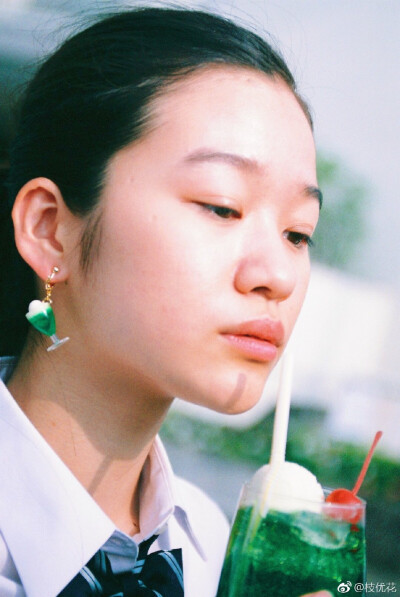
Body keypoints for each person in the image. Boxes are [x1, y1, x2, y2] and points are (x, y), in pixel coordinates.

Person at [0, 6, 326, 596]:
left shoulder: (213, 547)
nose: (278, 274)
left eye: (298, 232)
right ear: (51, 229)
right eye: (222, 206)